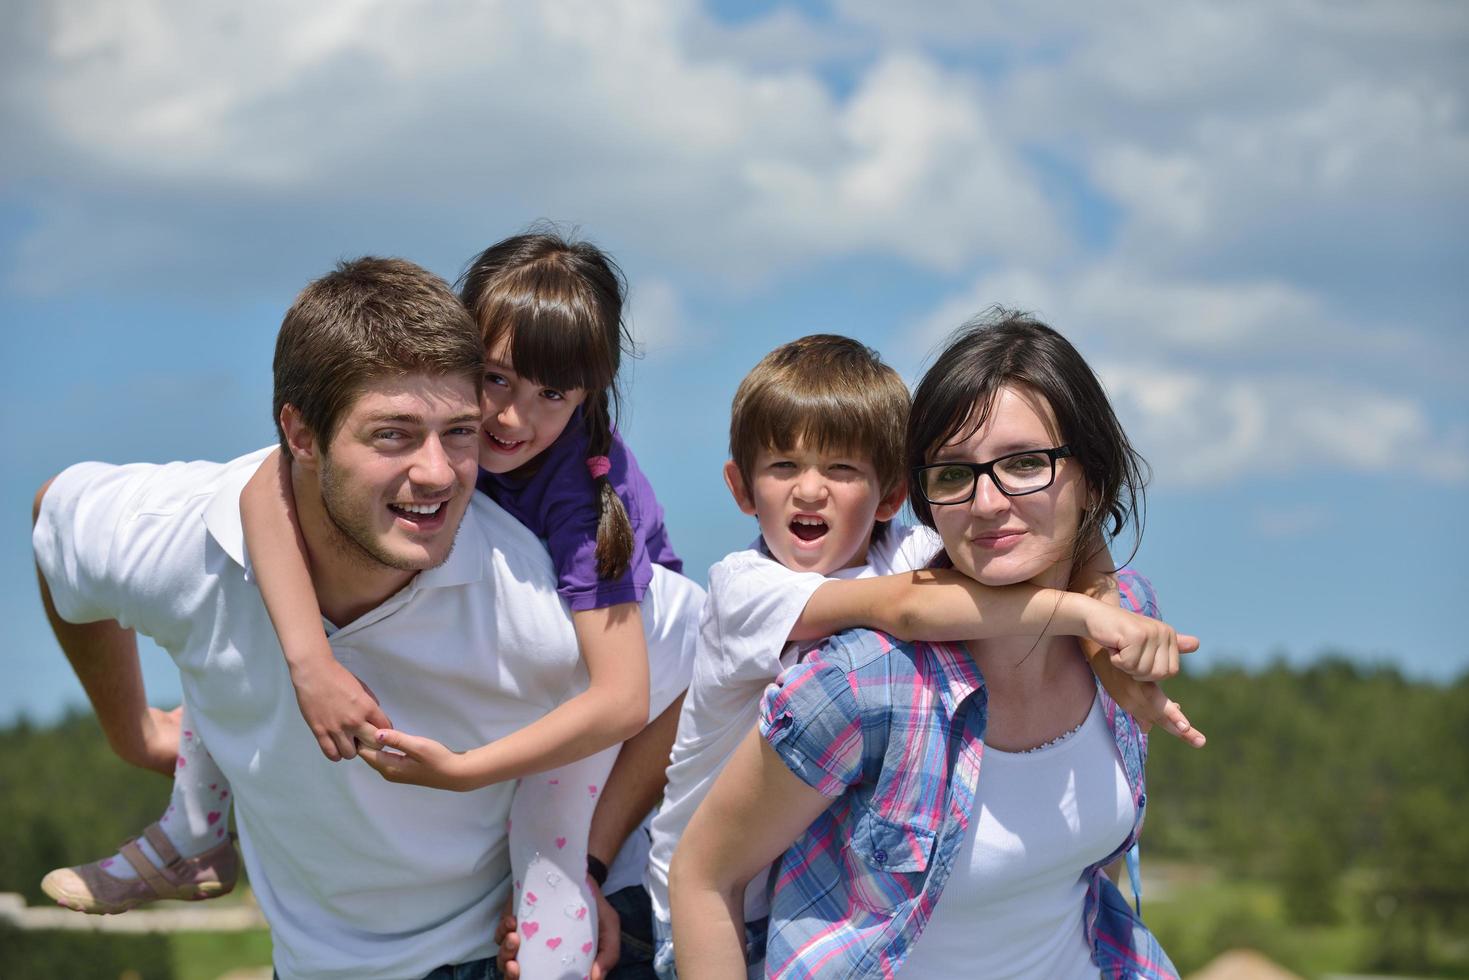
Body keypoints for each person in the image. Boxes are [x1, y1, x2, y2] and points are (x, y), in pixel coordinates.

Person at [33, 256, 701, 980]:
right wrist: (139, 728)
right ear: (302, 435)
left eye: (458, 431)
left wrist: (588, 854)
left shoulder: (565, 564)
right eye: (393, 433)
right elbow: (69, 520)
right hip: (315, 960)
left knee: (553, 869)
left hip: (483, 941)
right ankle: (189, 837)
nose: (443, 469)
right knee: (216, 658)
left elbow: (681, 666)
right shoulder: (191, 532)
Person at [646, 334, 1199, 977]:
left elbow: (1075, 545)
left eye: (1025, 462)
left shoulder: (1123, 620)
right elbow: (705, 877)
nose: (987, 501)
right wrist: (1084, 616)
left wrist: (1103, 638)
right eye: (956, 473)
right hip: (720, 921)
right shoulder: (841, 660)